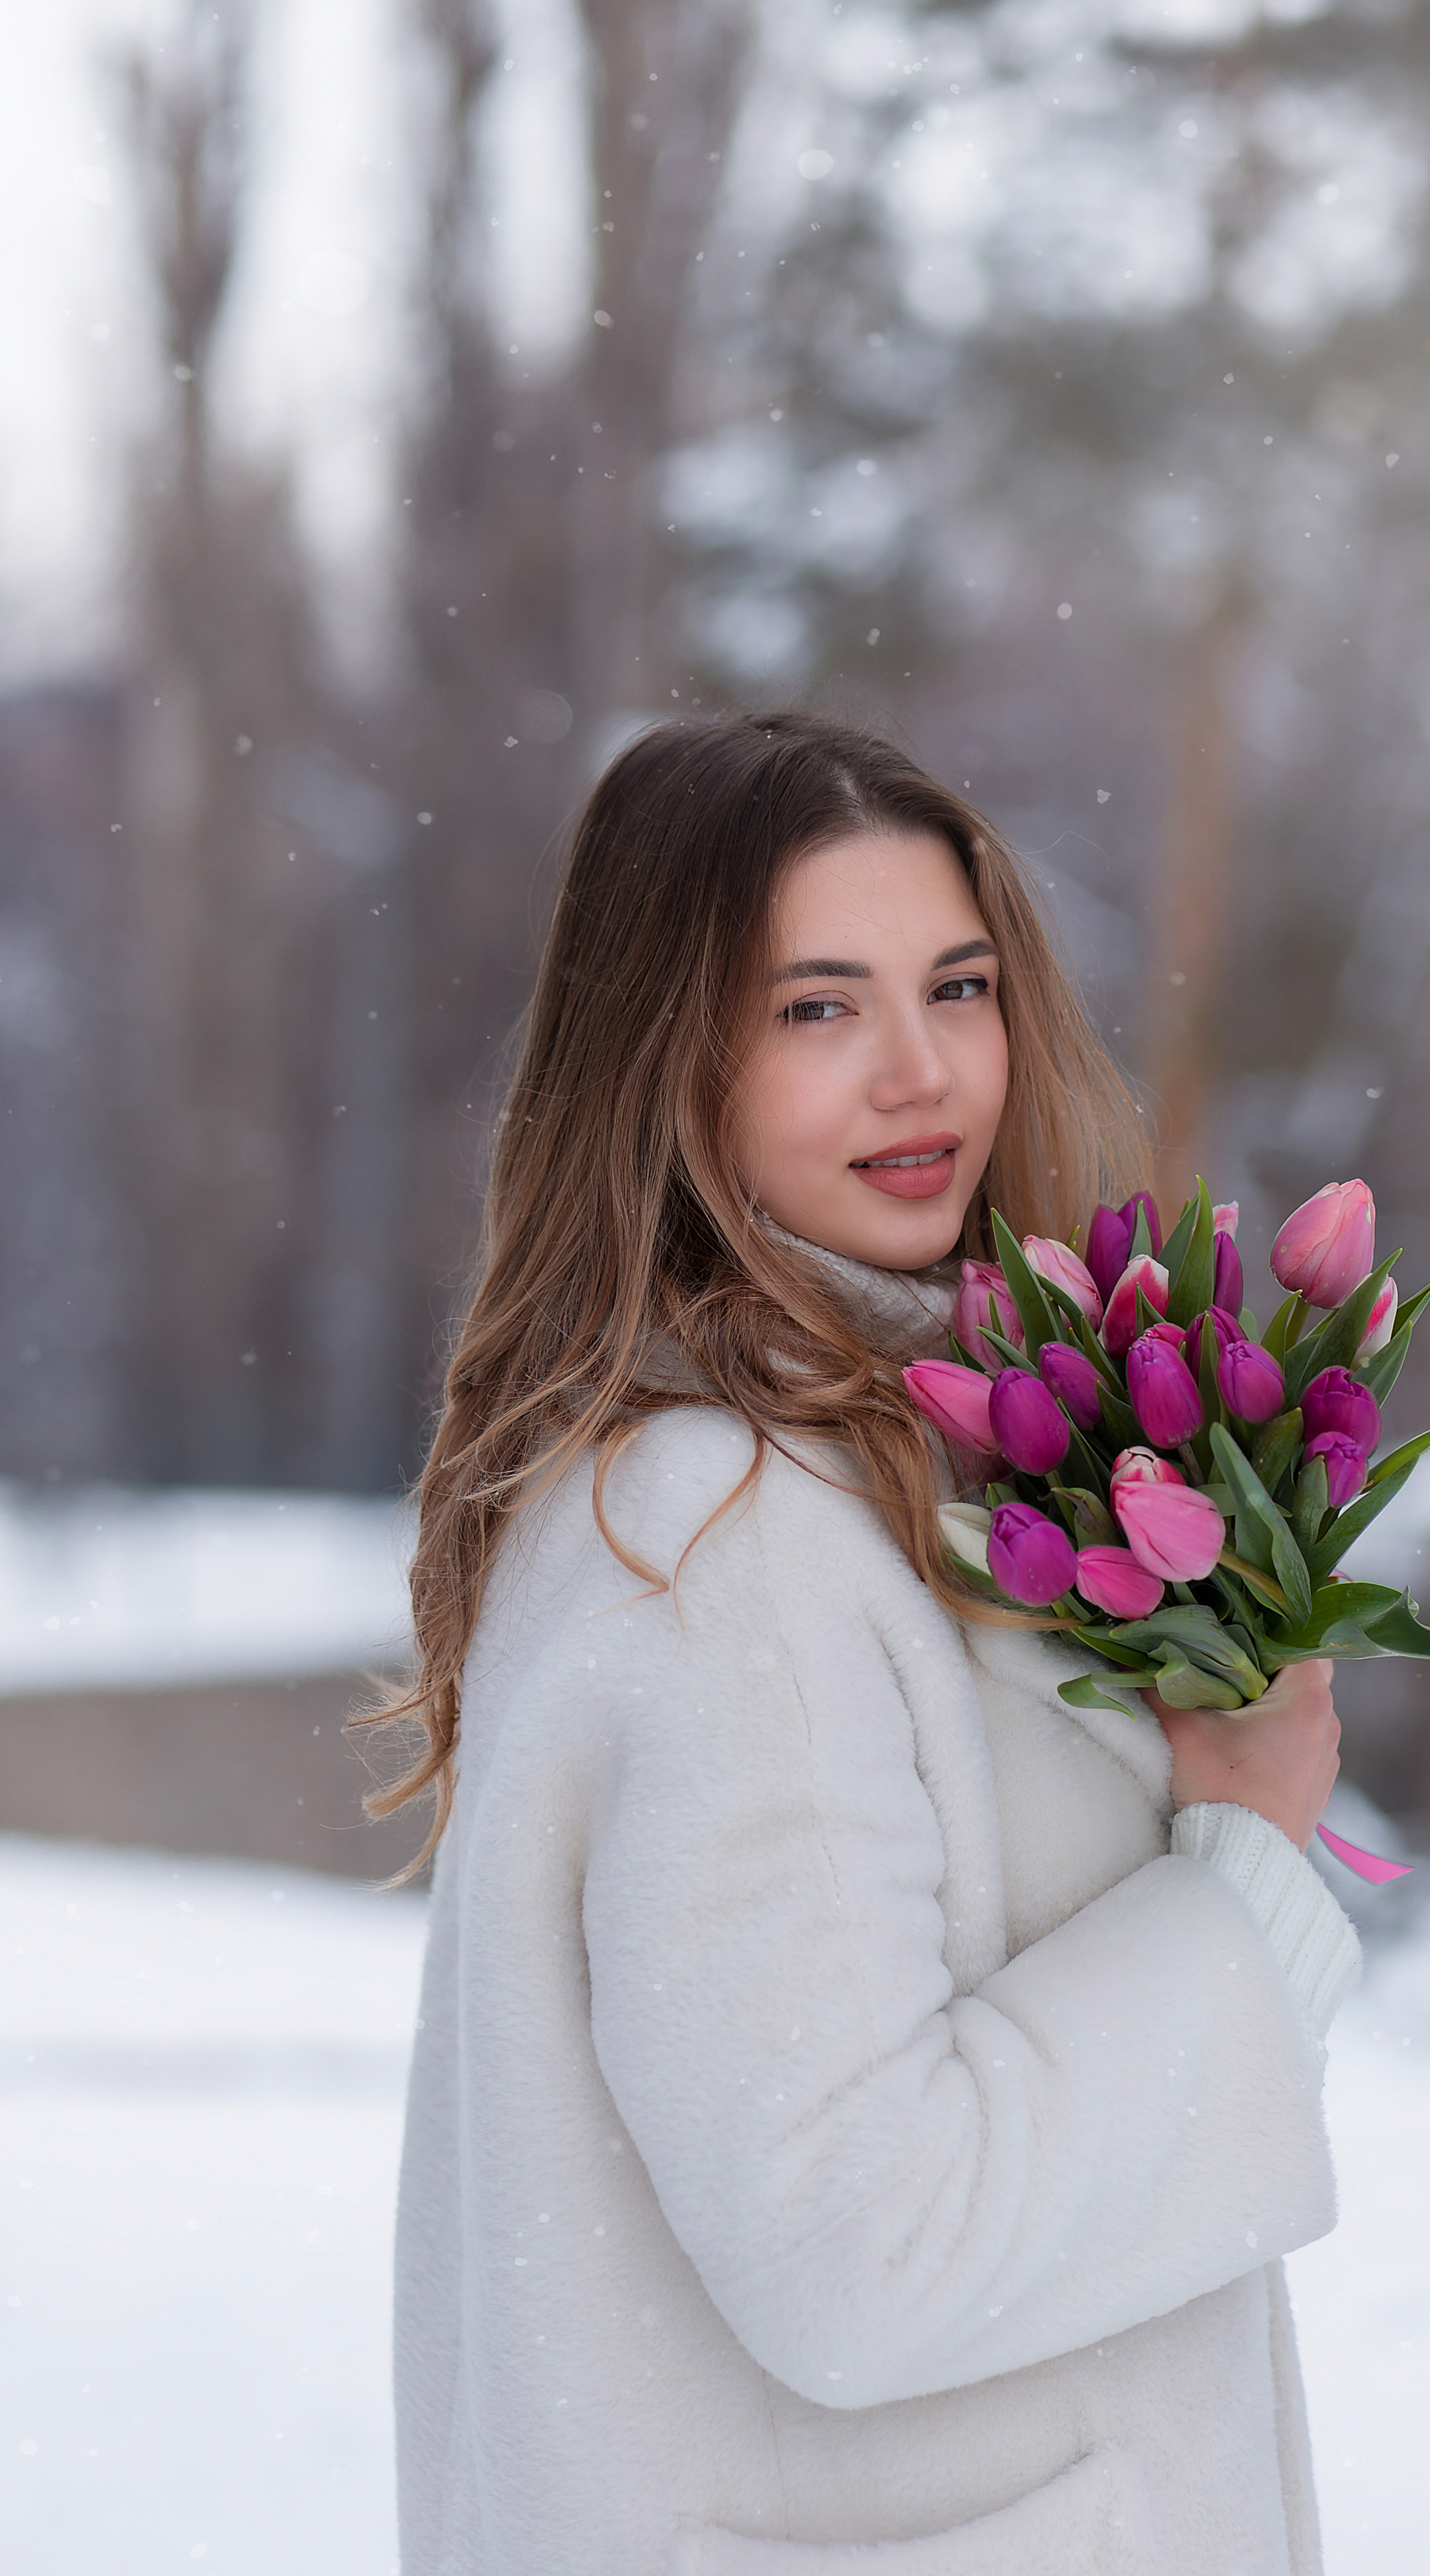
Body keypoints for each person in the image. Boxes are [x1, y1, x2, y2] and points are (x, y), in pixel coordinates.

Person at [376, 710, 1358, 2576]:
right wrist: (1245, 1870)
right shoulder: (730, 1544)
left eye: (957, 986)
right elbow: (862, 2244)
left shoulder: (881, 1465)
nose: (920, 1075)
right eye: (817, 1008)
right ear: (670, 1061)